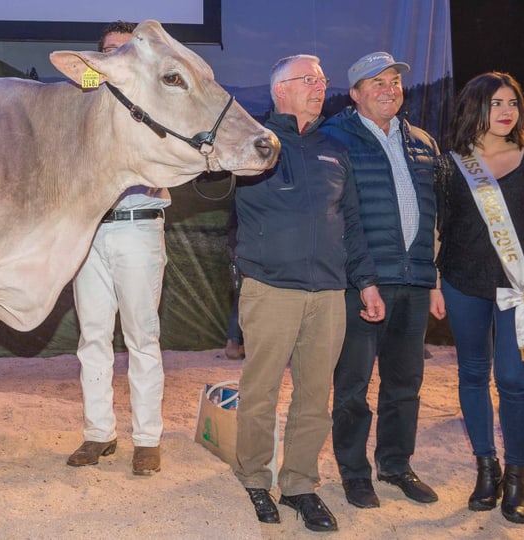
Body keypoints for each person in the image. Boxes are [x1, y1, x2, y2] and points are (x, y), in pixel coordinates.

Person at [232, 54, 384, 532]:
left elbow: (353, 224)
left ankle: (298, 485)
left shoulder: (335, 147)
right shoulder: (251, 141)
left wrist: (367, 283)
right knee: (260, 392)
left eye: (322, 81)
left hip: (329, 294)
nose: (320, 87)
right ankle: (255, 478)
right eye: (308, 80)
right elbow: (208, 181)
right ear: (280, 90)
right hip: (270, 289)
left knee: (315, 395)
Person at [431, 72, 524, 524]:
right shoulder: (450, 164)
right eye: (495, 103)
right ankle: (486, 468)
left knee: (515, 381)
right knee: (473, 375)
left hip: (523, 289)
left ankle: (517, 477)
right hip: (462, 282)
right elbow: (439, 228)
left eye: (512, 102)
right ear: (474, 107)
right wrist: (435, 283)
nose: (506, 111)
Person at [319, 52, 440, 509]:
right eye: (376, 82)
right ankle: (354, 473)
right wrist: (362, 279)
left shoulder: (423, 142)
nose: (389, 88)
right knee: (352, 386)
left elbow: (434, 218)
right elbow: (337, 220)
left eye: (394, 80)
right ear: (354, 94)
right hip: (360, 284)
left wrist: (434, 278)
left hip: (412, 282)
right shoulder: (334, 139)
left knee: (405, 384)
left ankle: (396, 464)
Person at [67, 20, 169, 477]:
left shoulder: (156, 104)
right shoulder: (87, 101)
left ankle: (147, 440)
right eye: (111, 52)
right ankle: (98, 433)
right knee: (92, 337)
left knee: (142, 339)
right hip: (90, 230)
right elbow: (78, 79)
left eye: (128, 51)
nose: (119, 59)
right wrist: (97, 73)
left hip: (138, 227)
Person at [224, 205, 245, 360]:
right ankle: (234, 342)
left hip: (242, 243)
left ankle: (238, 343)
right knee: (243, 295)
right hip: (241, 244)